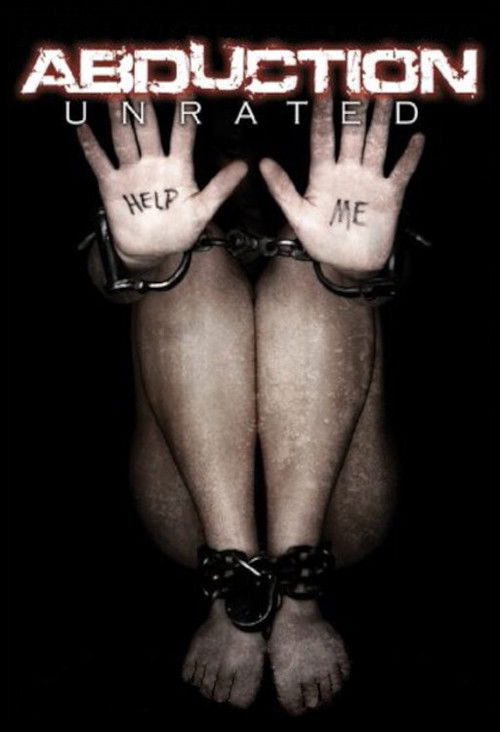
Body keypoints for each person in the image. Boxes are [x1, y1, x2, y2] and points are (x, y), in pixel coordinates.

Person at [77, 94, 424, 715]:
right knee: (191, 259)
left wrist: (354, 273)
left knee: (313, 257)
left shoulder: (344, 129)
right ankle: (236, 582)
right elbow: (106, 280)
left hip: (338, 511)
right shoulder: (168, 131)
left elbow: (399, 277)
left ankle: (297, 591)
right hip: (196, 517)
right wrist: (140, 259)